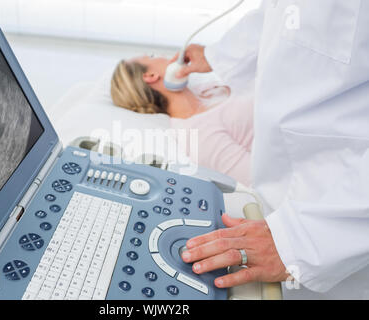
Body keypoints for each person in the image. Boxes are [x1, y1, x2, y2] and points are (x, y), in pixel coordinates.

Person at [173, 1, 369, 299]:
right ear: (151, 79)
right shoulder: (195, 131)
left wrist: (299, 240)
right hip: (285, 209)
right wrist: (217, 54)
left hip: (340, 223)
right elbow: (285, 16)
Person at [111, 56, 255, 186]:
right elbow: (258, 180)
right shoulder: (198, 135)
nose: (166, 57)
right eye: (152, 56)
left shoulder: (206, 89)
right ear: (151, 76)